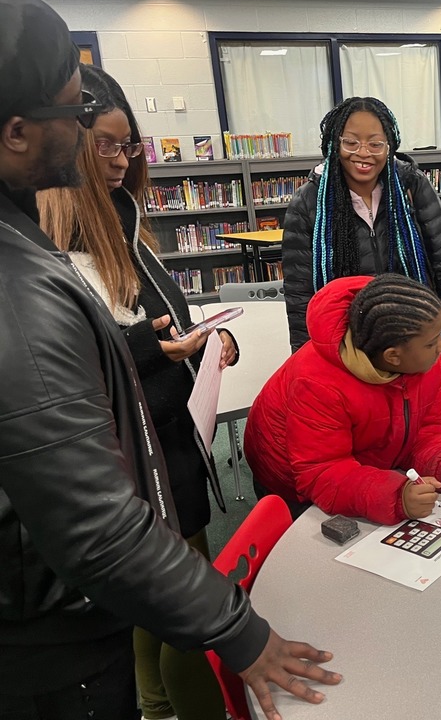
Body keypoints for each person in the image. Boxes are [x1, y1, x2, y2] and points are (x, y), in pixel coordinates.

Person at [0, 0, 337, 720]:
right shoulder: (19, 288)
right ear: (18, 131)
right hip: (53, 630)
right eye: (75, 114)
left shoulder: (38, 246)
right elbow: (95, 527)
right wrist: (241, 634)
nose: (107, 150)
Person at [37, 64, 236, 720]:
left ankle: (156, 709)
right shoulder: (52, 244)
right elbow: (69, 365)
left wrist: (201, 344)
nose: (122, 160)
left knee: (159, 606)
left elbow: (151, 316)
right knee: (188, 609)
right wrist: (157, 350)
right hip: (134, 460)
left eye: (129, 145)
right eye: (105, 145)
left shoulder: (123, 219)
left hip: (169, 438)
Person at [244, 274, 441, 523]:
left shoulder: (427, 365)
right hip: (290, 479)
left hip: (359, 459)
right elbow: (322, 472)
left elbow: (424, 433)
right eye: (430, 343)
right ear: (393, 357)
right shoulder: (318, 384)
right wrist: (397, 496)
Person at [282, 96, 441, 352]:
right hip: (349, 341)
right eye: (351, 142)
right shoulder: (309, 202)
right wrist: (306, 352)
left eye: (375, 143)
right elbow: (300, 291)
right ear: (335, 143)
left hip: (412, 331)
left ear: (389, 145)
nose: (363, 153)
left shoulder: (411, 186)